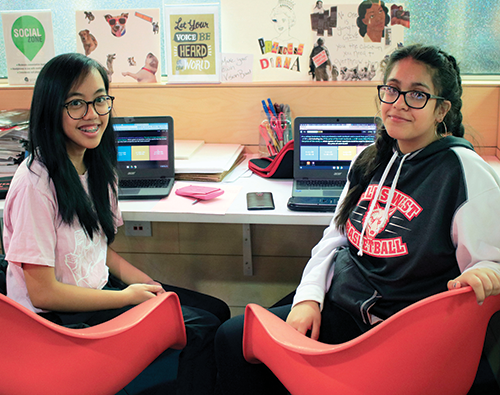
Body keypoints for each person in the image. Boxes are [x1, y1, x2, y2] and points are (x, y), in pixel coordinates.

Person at [215, 44, 500, 394]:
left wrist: (486, 271)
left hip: (400, 332)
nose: (398, 103)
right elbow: (335, 238)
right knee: (235, 337)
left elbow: (490, 261)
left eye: (417, 95)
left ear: (442, 109)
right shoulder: (370, 159)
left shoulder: (464, 170)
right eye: (392, 89)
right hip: (345, 307)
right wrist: (308, 297)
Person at [3, 53, 230, 395]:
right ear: (52, 108)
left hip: (96, 294)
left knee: (216, 310)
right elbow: (43, 291)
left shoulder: (97, 165)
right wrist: (126, 297)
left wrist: (148, 286)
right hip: (56, 324)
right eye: (76, 104)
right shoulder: (35, 183)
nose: (92, 115)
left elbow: (96, 249)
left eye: (100, 101)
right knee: (203, 328)